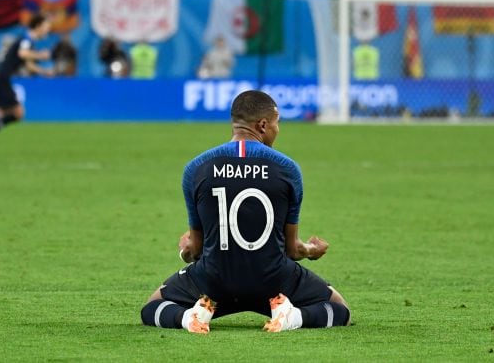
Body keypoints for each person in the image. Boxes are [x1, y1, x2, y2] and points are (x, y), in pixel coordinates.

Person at [140, 90, 351, 334]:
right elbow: (293, 250)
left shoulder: (196, 168)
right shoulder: (287, 169)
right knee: (339, 309)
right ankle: (293, 317)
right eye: (277, 123)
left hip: (214, 282)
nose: (277, 130)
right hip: (274, 281)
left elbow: (195, 251)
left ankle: (190, 317)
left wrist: (184, 249)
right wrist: (313, 250)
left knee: (153, 306)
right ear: (263, 125)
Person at [0, 14, 53, 156]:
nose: (48, 30)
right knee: (18, 113)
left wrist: (43, 71)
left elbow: (28, 64)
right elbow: (23, 54)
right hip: (1, 79)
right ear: (38, 26)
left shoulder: (27, 41)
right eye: (46, 27)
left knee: (2, 116)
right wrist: (41, 55)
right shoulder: (27, 39)